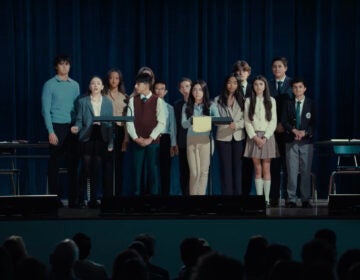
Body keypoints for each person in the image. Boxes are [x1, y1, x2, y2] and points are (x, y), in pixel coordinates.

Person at [41, 54, 80, 208]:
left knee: (73, 164)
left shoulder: (74, 85)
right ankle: (54, 199)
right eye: (61, 64)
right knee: (54, 164)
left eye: (67, 64)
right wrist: (51, 131)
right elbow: (45, 110)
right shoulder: (49, 84)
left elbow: (78, 108)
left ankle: (73, 200)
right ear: (56, 67)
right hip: (56, 126)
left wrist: (77, 125)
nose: (65, 67)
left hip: (72, 127)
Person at [71, 76, 113, 208]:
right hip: (87, 136)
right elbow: (79, 119)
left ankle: (93, 199)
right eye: (93, 83)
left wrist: (111, 142)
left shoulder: (107, 102)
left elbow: (110, 124)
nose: (95, 85)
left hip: (101, 137)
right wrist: (76, 127)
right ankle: (80, 198)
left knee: (96, 169)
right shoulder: (83, 101)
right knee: (85, 169)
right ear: (89, 86)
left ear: (102, 87)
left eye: (98, 83)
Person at [126, 73, 166, 195]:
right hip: (137, 142)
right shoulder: (133, 100)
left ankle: (153, 201)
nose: (135, 86)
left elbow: (161, 123)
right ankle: (136, 200)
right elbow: (129, 121)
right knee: (136, 173)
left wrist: (150, 139)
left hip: (152, 143)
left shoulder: (157, 101)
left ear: (146, 85)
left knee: (153, 172)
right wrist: (136, 138)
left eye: (138, 84)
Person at [244, 75, 278, 206]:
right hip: (253, 137)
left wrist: (265, 137)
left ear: (265, 86)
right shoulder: (248, 101)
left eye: (261, 84)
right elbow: (247, 122)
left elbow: (273, 121)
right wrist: (254, 137)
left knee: (266, 168)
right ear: (253, 86)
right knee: (257, 169)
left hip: (267, 137)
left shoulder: (271, 100)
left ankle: (266, 199)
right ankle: (258, 199)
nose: (258, 87)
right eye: (256, 84)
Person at [182, 80, 219, 195]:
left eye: (200, 89)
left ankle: (201, 199)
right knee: (194, 172)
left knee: (203, 172)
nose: (197, 92)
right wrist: (191, 120)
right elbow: (184, 124)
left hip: (206, 140)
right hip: (191, 140)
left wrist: (206, 119)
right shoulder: (187, 106)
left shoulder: (211, 105)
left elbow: (217, 121)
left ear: (204, 91)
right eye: (194, 89)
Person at [282, 78, 315, 208]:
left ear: (304, 88)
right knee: (292, 171)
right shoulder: (288, 103)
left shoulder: (311, 103)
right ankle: (291, 199)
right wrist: (294, 130)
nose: (297, 90)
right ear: (292, 89)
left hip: (306, 141)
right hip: (291, 141)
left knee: (306, 171)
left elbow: (314, 123)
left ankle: (305, 199)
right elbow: (284, 121)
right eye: (295, 87)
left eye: (300, 87)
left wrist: (305, 133)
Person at [214, 73, 245, 195]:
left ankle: (238, 197)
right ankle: (227, 197)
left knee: (238, 169)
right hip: (223, 137)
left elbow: (247, 120)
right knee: (225, 169)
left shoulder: (243, 100)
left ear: (238, 85)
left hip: (238, 137)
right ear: (225, 84)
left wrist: (237, 125)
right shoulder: (217, 100)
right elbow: (215, 119)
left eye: (234, 83)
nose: (231, 85)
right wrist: (227, 122)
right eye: (229, 82)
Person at [268, 57, 293, 207]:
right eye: (274, 67)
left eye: (279, 66)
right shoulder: (268, 85)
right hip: (271, 131)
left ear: (285, 68)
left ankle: (289, 198)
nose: (277, 69)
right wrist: (273, 125)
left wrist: (284, 124)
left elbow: (294, 108)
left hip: (287, 130)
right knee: (274, 166)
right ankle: (274, 198)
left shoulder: (292, 84)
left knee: (288, 165)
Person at [104, 68, 129, 196]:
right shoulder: (103, 95)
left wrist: (126, 138)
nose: (114, 80)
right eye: (111, 77)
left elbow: (126, 121)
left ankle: (117, 196)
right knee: (107, 164)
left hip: (119, 131)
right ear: (108, 80)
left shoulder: (125, 97)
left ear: (120, 80)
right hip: (106, 131)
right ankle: (107, 196)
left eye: (117, 78)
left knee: (119, 165)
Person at [232, 60, 254, 196]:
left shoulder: (255, 87)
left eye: (244, 70)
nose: (241, 73)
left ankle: (246, 194)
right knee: (236, 164)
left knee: (249, 165)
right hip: (237, 130)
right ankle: (235, 193)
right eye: (238, 71)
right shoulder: (231, 88)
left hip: (252, 130)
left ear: (248, 72)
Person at [154, 80, 177, 196]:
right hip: (152, 139)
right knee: (152, 169)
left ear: (166, 91)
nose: (159, 91)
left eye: (162, 89)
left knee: (165, 169)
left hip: (165, 139)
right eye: (157, 88)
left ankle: (165, 196)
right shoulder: (149, 106)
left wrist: (173, 144)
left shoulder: (169, 108)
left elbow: (172, 127)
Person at [173, 78, 192, 196]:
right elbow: (175, 126)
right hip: (182, 142)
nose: (185, 89)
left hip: (196, 142)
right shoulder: (177, 105)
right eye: (182, 87)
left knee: (194, 172)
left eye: (187, 86)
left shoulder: (197, 103)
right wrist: (174, 143)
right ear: (180, 90)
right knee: (184, 171)